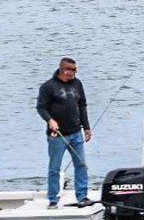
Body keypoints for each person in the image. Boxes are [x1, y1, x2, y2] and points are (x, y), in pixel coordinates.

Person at [37, 58, 94, 210]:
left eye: (76, 70)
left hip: (76, 132)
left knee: (81, 164)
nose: (76, 72)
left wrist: (86, 127)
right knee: (55, 168)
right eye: (73, 70)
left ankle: (82, 196)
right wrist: (50, 120)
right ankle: (53, 199)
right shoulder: (48, 87)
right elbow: (41, 107)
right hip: (58, 135)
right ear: (64, 70)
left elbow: (82, 105)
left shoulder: (77, 83)